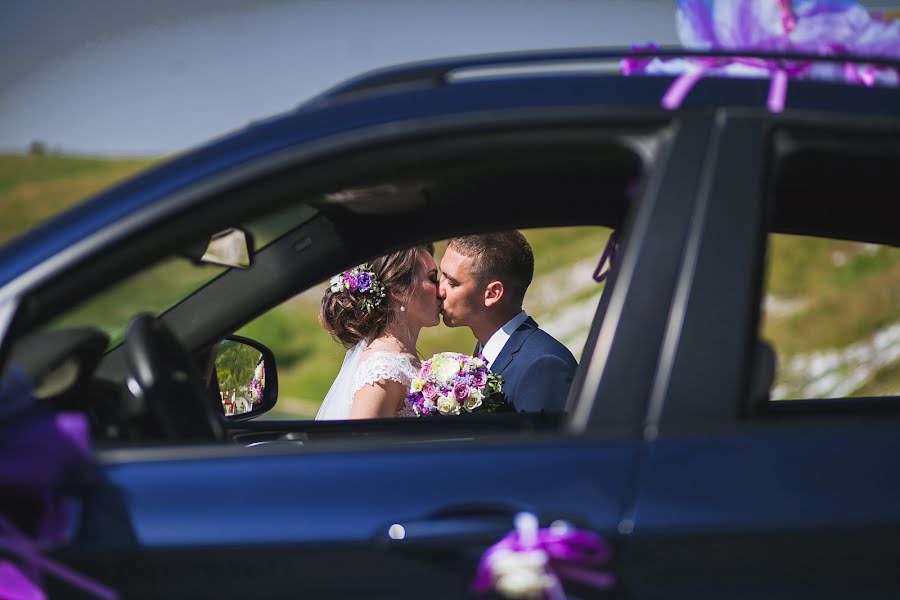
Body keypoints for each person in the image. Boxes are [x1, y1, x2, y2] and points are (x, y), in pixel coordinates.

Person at [438, 231, 577, 413]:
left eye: (453, 283)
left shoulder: (543, 368)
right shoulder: (484, 353)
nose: (440, 290)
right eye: (441, 275)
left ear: (492, 294)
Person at [316, 244, 440, 419]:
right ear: (398, 290)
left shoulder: (402, 357)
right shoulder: (382, 369)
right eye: (432, 278)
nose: (442, 290)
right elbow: (362, 445)